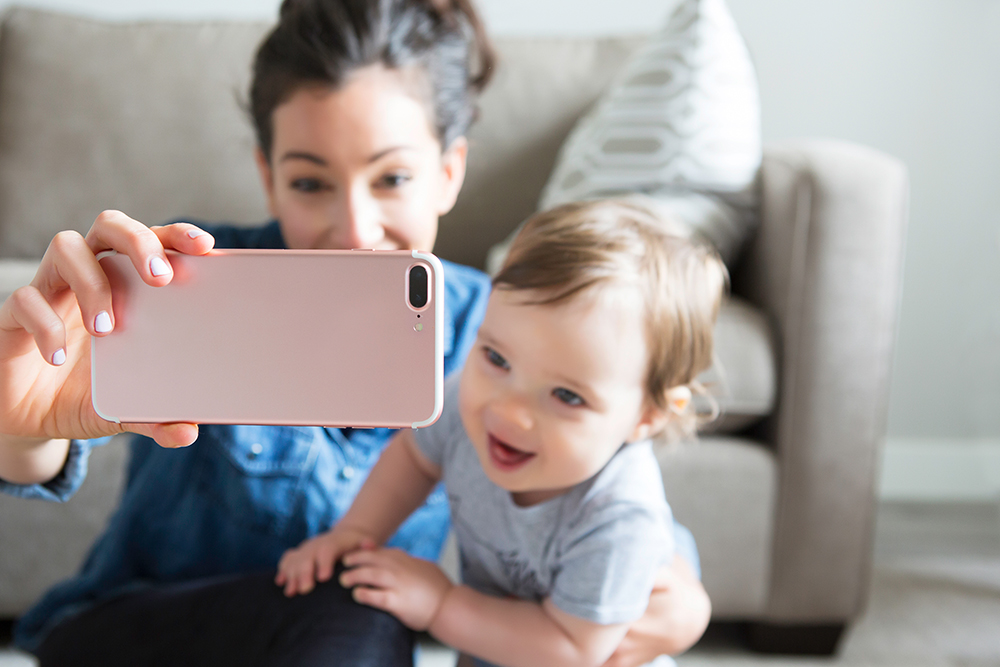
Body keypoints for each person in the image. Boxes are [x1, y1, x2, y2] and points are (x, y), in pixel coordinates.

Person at [0, 1, 710, 665]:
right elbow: (41, 440)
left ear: (449, 170)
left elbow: (600, 487)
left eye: (392, 178)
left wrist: (679, 593)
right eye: (311, 183)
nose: (354, 230)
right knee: (361, 598)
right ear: (269, 177)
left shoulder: (501, 334)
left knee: (367, 602)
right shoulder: (187, 281)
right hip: (136, 633)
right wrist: (22, 425)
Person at [275, 200, 726, 667]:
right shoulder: (462, 402)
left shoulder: (620, 517)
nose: (509, 413)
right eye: (497, 359)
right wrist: (357, 531)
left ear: (648, 416)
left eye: (567, 396)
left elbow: (572, 648)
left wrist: (441, 606)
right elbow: (414, 456)